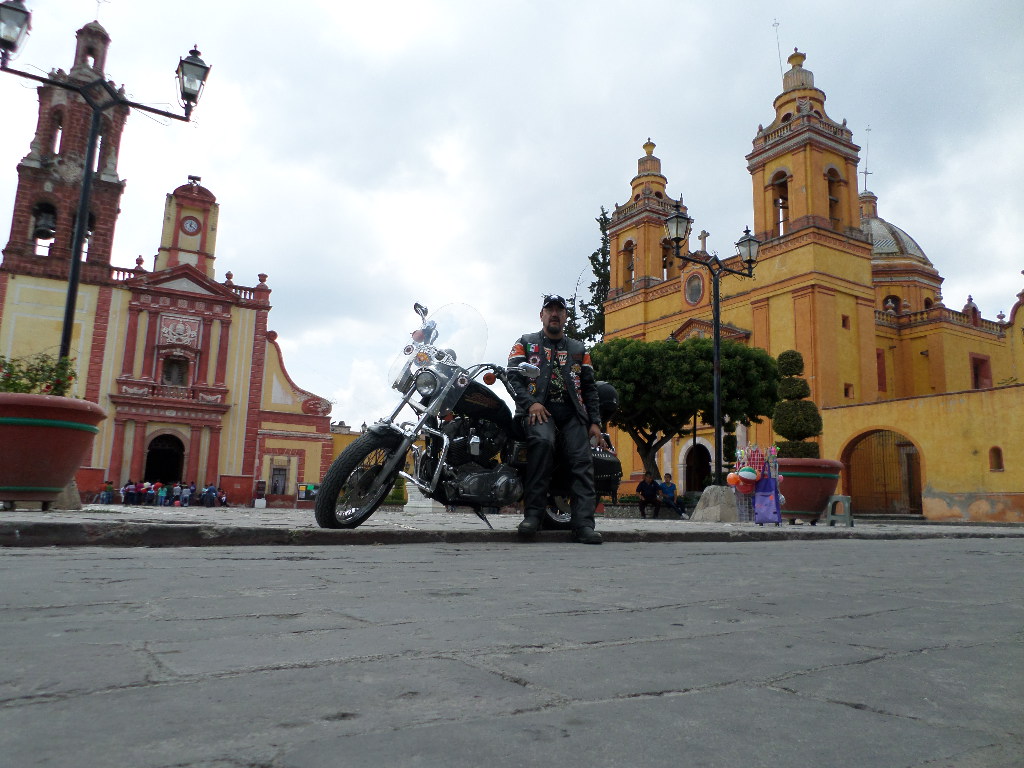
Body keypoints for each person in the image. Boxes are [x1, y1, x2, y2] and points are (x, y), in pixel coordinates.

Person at [507, 293, 605, 545]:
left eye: (559, 310)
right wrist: (531, 404)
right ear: (541, 315)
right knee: (542, 444)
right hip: (539, 410)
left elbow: (590, 387)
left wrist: (595, 422)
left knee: (581, 459)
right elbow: (512, 377)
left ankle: (584, 524)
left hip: (572, 414)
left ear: (565, 317)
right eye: (549, 309)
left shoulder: (579, 349)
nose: (554, 314)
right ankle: (533, 516)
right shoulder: (524, 343)